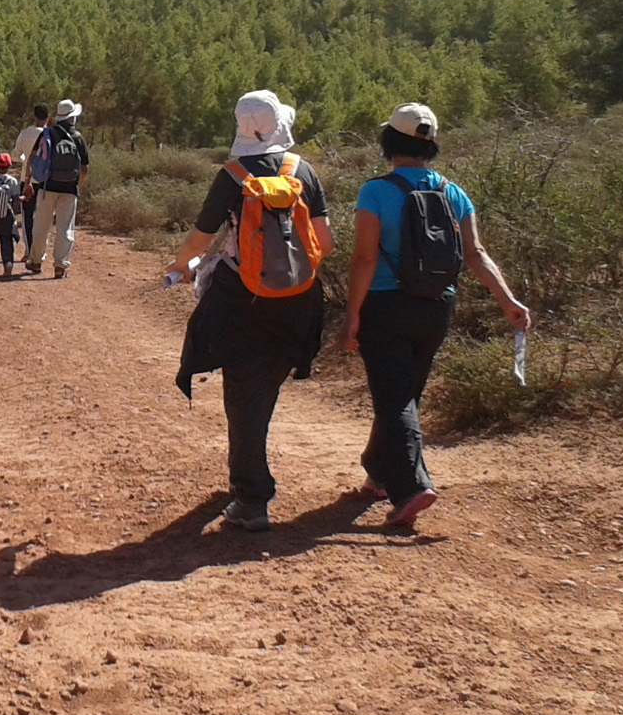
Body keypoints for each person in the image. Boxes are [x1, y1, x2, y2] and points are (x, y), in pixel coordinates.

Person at [344, 103, 531, 528]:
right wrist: (508, 301)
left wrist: (352, 313)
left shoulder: (375, 191)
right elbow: (476, 255)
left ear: (389, 141)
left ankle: (411, 487)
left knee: (394, 398)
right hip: (437, 305)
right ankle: (377, 471)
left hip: (386, 305)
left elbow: (364, 257)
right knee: (404, 393)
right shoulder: (454, 191)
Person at [166, 92, 332, 533]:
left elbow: (202, 236)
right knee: (262, 390)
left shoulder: (233, 175)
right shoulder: (303, 170)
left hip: (244, 302)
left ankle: (252, 497)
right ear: (279, 125)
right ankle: (250, 471)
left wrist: (181, 266)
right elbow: (325, 243)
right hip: (299, 301)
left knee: (243, 396)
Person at [26, 98, 89, 277]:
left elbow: (31, 158)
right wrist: (77, 184)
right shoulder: (78, 138)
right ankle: (60, 265)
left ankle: (36, 262)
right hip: (69, 190)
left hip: (47, 186)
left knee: (41, 225)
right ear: (72, 118)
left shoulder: (47, 133)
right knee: (65, 228)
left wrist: (29, 180)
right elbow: (85, 169)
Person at [13, 103, 50, 251]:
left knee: (27, 216)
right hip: (45, 182)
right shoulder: (50, 134)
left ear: (34, 117)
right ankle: (40, 251)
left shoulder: (25, 133)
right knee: (44, 217)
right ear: (48, 117)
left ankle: (29, 250)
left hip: (26, 179)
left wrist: (25, 161)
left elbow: (15, 155)